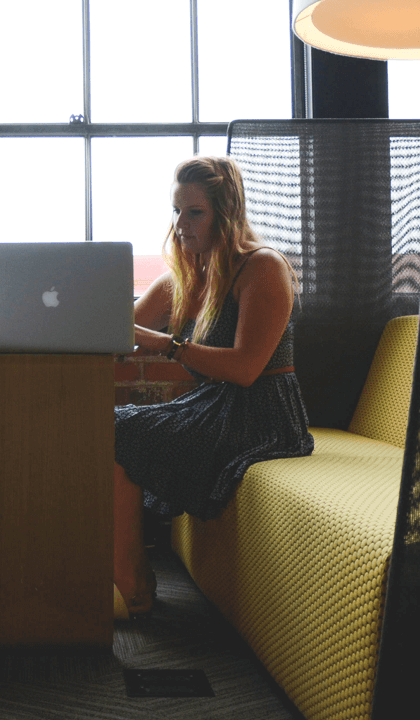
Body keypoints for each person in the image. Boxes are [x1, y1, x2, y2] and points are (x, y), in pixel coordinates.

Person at [112, 155, 314, 617]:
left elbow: (246, 368)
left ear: (226, 214)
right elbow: (119, 332)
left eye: (194, 212)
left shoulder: (262, 267)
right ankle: (127, 573)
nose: (180, 224)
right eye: (176, 211)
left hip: (262, 413)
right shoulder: (184, 277)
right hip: (212, 405)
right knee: (110, 425)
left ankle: (132, 583)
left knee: (119, 430)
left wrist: (168, 345)